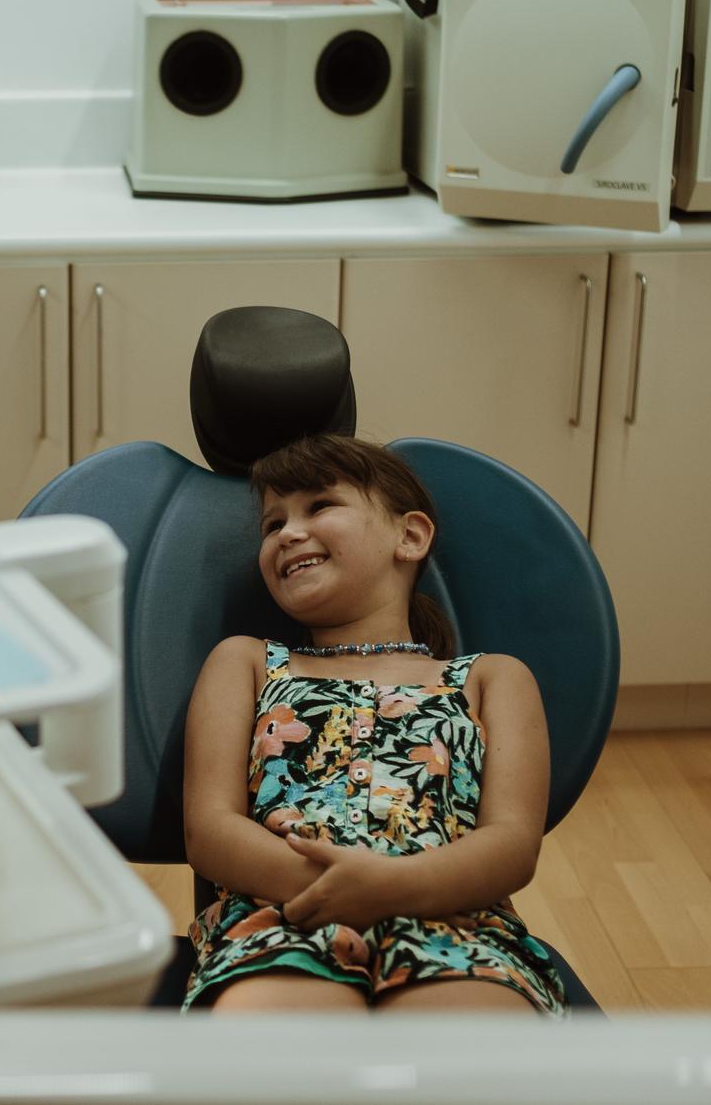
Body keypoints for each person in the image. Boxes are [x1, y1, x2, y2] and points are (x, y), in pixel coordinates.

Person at [180, 433, 567, 1015]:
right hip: (282, 921)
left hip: (457, 925)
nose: (287, 532)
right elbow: (208, 828)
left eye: (320, 506)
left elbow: (512, 845)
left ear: (409, 536)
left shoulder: (491, 679)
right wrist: (335, 890)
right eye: (271, 524)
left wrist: (393, 888)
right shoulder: (247, 662)